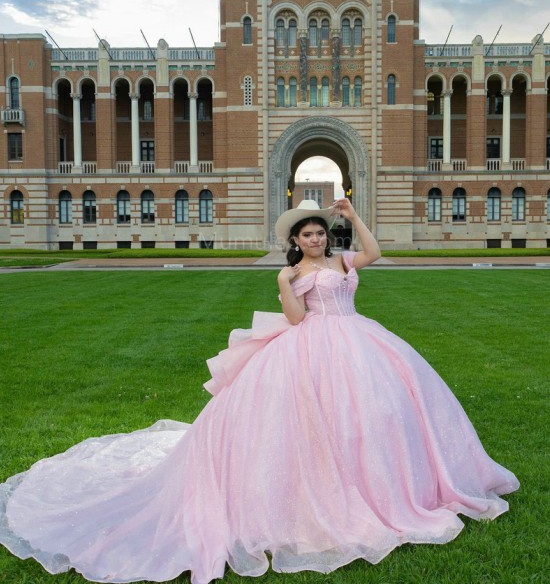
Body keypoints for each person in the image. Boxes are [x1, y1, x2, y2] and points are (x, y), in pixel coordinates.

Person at [0, 199, 519, 584]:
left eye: (321, 232)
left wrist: (354, 214)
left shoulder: (343, 263)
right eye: (309, 234)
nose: (316, 239)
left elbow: (376, 252)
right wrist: (284, 284)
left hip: (360, 338)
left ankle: (390, 481)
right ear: (297, 240)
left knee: (379, 411)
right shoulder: (292, 272)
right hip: (312, 343)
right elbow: (295, 321)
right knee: (312, 418)